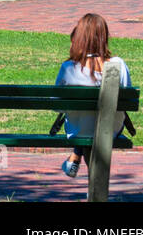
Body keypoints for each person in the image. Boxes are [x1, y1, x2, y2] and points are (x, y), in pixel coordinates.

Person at [56, 13, 132, 179]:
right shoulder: (118, 64)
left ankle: (76, 156)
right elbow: (128, 101)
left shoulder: (69, 68)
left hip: (78, 129)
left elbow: (57, 106)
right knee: (95, 123)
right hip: (111, 129)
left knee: (86, 126)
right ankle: (91, 182)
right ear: (104, 36)